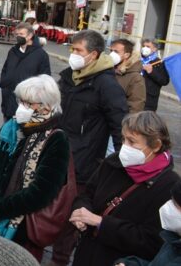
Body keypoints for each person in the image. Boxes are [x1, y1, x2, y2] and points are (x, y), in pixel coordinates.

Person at [51, 30, 128, 264]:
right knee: (49, 205)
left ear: (93, 55)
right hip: (57, 154)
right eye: (72, 49)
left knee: (69, 214)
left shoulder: (106, 84)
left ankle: (60, 258)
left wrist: (121, 164)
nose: (73, 54)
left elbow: (120, 125)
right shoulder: (68, 77)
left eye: (78, 51)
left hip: (83, 163)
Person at [0, 75, 70, 260]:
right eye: (20, 101)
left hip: (21, 230)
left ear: (46, 106)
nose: (21, 107)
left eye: (28, 103)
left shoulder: (56, 139)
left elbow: (42, 192)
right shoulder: (10, 127)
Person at [68, 111, 180, 266]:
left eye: (132, 142)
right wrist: (80, 209)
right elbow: (88, 193)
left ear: (155, 146)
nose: (124, 146)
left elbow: (152, 241)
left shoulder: (168, 185)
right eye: (123, 139)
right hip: (86, 254)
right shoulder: (114, 162)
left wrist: (102, 223)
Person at [115, 181, 181, 266]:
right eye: (171, 200)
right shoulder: (174, 238)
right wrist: (127, 264)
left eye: (175, 204)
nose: (168, 206)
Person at [0, 22, 51, 120]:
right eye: (17, 34)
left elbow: (45, 79)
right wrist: (4, 83)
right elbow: (5, 69)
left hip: (26, 105)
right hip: (8, 101)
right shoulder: (13, 51)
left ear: (30, 35)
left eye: (21, 34)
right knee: (6, 133)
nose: (18, 37)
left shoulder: (41, 55)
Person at [110, 39, 146, 113]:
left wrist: (126, 123)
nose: (112, 54)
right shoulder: (108, 69)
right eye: (111, 51)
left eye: (116, 52)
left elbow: (136, 106)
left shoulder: (135, 78)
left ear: (127, 55)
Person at [139, 39, 170, 112]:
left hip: (149, 100)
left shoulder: (159, 63)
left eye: (148, 46)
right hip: (135, 96)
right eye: (143, 46)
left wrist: (151, 72)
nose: (145, 48)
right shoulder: (138, 60)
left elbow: (165, 81)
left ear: (154, 49)